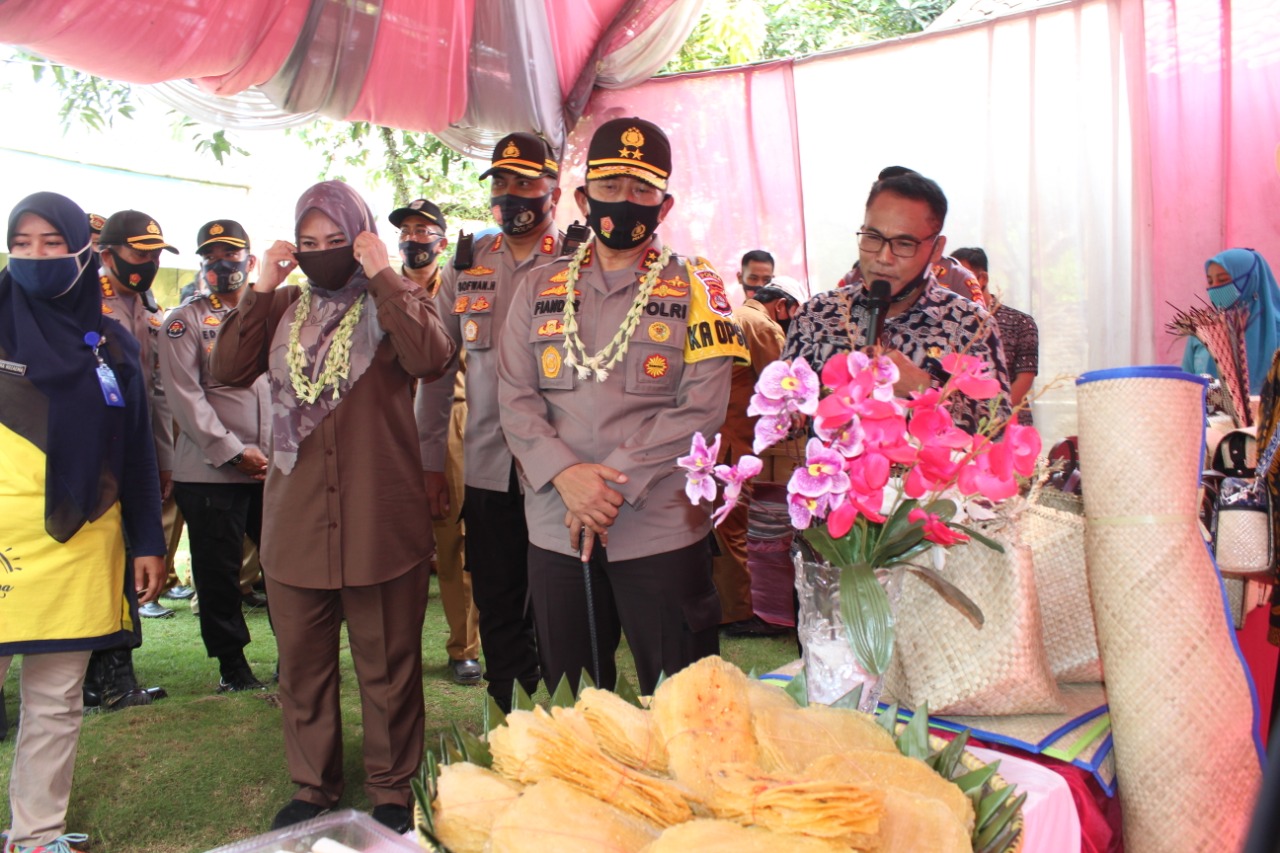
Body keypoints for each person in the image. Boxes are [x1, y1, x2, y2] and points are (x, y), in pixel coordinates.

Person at [210, 180, 455, 834]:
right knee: (305, 668)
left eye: (336, 241)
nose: (322, 253)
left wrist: (382, 271)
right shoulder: (285, 308)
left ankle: (390, 786)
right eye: (309, 242)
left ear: (362, 237)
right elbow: (227, 368)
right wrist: (261, 283)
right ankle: (313, 784)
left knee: (389, 665)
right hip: (296, 522)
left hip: (381, 520)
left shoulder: (390, 303)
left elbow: (433, 356)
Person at [497, 117, 749, 696]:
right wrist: (567, 477)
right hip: (556, 526)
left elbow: (701, 408)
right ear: (584, 198)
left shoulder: (699, 288)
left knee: (683, 704)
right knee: (574, 704)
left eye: (642, 190)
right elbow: (514, 396)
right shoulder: (538, 287)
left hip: (658, 528)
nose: (624, 203)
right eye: (610, 188)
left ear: (664, 206)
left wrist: (606, 486)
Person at [0, 191, 165, 853]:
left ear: (80, 251)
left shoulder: (115, 342)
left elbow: (137, 450)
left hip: (79, 541)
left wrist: (149, 540)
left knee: (56, 698)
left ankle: (35, 835)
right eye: (22, 242)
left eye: (50, 242)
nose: (36, 255)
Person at [416, 134, 564, 708]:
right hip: (486, 469)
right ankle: (509, 719)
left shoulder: (578, 259)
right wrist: (432, 462)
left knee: (559, 607)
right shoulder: (466, 265)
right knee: (499, 604)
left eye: (524, 182)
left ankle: (566, 723)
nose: (510, 195)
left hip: (557, 472)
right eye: (500, 183)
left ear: (553, 187)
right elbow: (435, 371)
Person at [783, 171, 1011, 434]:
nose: (883, 257)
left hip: (925, 475)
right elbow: (787, 415)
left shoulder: (970, 325)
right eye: (873, 238)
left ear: (936, 249)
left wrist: (927, 390)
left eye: (904, 244)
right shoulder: (818, 314)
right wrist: (791, 412)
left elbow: (996, 434)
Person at [157, 219, 271, 692]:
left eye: (231, 254)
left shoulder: (271, 313)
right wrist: (232, 452)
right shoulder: (183, 322)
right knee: (219, 574)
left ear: (251, 260)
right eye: (212, 256)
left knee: (286, 564)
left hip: (272, 468)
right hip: (210, 473)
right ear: (202, 264)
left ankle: (298, 655)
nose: (222, 265)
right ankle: (232, 666)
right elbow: (185, 398)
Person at [80, 209, 179, 711]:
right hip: (93, 455)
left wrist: (160, 459)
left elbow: (154, 393)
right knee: (102, 565)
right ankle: (104, 678)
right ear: (107, 253)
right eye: (139, 254)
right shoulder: (84, 302)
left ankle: (109, 677)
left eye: (155, 254)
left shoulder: (144, 306)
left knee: (121, 562)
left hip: (130, 452)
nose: (149, 263)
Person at [391, 197, 481, 686]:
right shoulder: (379, 291)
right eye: (407, 229)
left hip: (447, 423)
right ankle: (393, 645)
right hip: (387, 429)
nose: (414, 238)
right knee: (389, 543)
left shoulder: (462, 285)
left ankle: (463, 646)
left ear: (442, 242)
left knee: (452, 541)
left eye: (425, 231)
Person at [715, 273, 805, 636]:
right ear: (780, 305)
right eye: (792, 316)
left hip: (717, 439)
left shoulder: (735, 316)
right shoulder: (764, 326)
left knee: (718, 531)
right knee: (732, 531)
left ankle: (725, 609)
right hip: (732, 443)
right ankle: (736, 616)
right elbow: (783, 387)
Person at [952, 246, 1038, 425]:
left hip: (1008, 426)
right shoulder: (947, 323)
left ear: (982, 279)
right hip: (959, 427)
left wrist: (994, 417)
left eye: (961, 278)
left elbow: (1025, 379)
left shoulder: (1020, 322)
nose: (953, 285)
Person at [1181, 248, 1280, 395]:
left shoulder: (1276, 332)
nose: (1214, 287)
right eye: (1210, 281)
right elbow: (1186, 387)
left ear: (1250, 280)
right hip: (1206, 417)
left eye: (1223, 280)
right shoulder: (1203, 332)